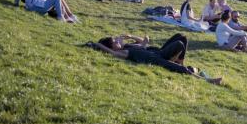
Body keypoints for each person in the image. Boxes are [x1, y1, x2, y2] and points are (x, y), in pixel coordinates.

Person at [90, 33, 222, 85]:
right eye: (115, 42)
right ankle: (207, 80)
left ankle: (179, 61)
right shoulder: (122, 53)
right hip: (157, 59)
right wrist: (98, 45)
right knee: (180, 45)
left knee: (182, 37)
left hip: (159, 52)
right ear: (113, 47)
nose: (118, 41)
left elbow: (144, 42)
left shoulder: (127, 46)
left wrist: (130, 36)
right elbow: (111, 53)